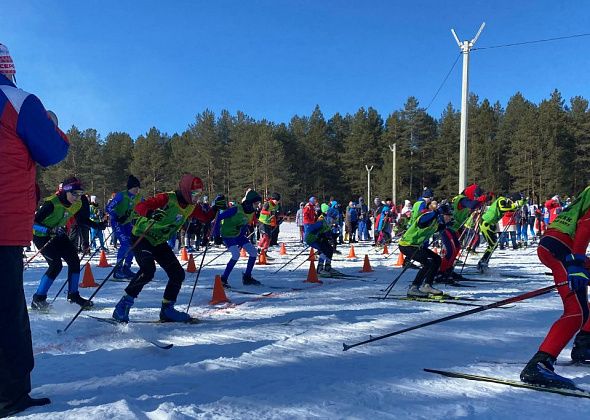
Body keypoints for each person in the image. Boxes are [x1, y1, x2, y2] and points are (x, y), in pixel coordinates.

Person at [0, 42, 69, 417]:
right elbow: (52, 151)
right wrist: (55, 128)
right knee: (7, 312)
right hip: (4, 225)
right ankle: (9, 394)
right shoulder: (16, 100)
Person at [112, 174, 216, 323]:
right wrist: (151, 213)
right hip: (143, 236)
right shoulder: (167, 199)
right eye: (194, 194)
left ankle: (167, 310)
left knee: (177, 274)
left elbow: (205, 218)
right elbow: (140, 206)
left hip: (159, 241)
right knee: (148, 270)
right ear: (186, 191)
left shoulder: (192, 206)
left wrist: (216, 208)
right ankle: (122, 306)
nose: (197, 198)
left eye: (199, 194)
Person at [520, 186, 590, 389]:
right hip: (561, 246)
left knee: (579, 309)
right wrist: (576, 263)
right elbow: (586, 225)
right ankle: (539, 364)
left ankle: (585, 344)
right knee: (576, 311)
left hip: (561, 244)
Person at [31, 177, 105, 310]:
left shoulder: (76, 203)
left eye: (80, 194)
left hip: (58, 235)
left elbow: (81, 219)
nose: (77, 197)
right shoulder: (52, 203)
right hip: (42, 236)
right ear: (65, 192)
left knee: (74, 261)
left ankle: (73, 296)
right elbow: (33, 223)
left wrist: (97, 225)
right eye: (74, 194)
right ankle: (38, 299)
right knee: (56, 265)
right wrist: (48, 229)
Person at [399, 203, 453, 297]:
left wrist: (445, 226)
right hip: (407, 245)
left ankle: (427, 285)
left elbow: (432, 230)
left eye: (450, 216)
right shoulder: (429, 217)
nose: (449, 218)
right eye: (447, 216)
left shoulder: (436, 223)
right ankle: (414, 287)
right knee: (427, 263)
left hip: (416, 246)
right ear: (441, 214)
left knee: (437, 259)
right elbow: (422, 222)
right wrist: (436, 212)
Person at [214, 189, 263, 287]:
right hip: (228, 235)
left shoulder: (251, 212)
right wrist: (216, 235)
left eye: (258, 204)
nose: (257, 206)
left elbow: (244, 223)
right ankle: (223, 279)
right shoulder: (235, 209)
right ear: (249, 203)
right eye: (256, 203)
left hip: (239, 235)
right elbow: (219, 218)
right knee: (236, 255)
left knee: (253, 252)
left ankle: (247, 277)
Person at [106, 175, 142, 280]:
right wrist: (117, 216)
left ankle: (126, 268)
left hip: (128, 223)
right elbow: (108, 207)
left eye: (138, 188)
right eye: (135, 187)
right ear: (130, 187)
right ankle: (118, 270)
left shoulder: (138, 197)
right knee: (125, 244)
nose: (137, 190)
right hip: (117, 223)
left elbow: (146, 205)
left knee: (133, 244)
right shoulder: (121, 195)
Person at [476, 193, 521, 273]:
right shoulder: (502, 199)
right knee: (492, 245)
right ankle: (482, 263)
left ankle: (484, 262)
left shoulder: (506, 202)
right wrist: (515, 205)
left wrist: (519, 205)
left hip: (490, 224)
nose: (512, 203)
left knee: (493, 245)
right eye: (513, 202)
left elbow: (510, 210)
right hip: (486, 223)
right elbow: (502, 208)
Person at [257, 192, 281, 257]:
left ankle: (264, 252)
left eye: (278, 201)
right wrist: (269, 212)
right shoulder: (268, 204)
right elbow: (262, 211)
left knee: (269, 238)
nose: (277, 202)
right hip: (262, 222)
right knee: (265, 237)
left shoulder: (276, 206)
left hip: (268, 223)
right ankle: (258, 249)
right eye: (276, 200)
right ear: (273, 199)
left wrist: (285, 214)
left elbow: (276, 214)